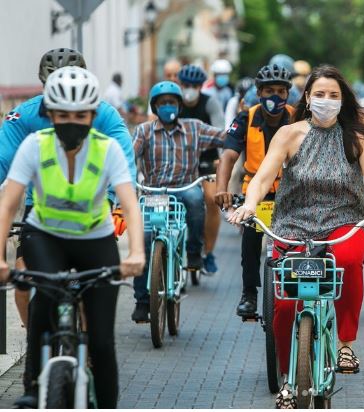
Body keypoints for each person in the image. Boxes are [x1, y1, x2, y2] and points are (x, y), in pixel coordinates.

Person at [229, 65, 364, 408]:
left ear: (343, 100)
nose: (326, 101)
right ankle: (289, 380)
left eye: (334, 95)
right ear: (306, 98)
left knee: (348, 261)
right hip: (293, 226)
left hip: (345, 223)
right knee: (286, 304)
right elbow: (262, 177)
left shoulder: (359, 137)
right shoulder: (289, 134)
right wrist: (249, 204)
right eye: (319, 94)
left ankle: (346, 344)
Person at [0, 66, 145, 409]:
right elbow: (7, 205)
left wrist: (136, 253)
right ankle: (34, 385)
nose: (71, 122)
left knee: (101, 342)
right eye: (62, 114)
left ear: (93, 115)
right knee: (42, 303)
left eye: (80, 115)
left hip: (96, 240)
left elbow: (129, 202)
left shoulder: (107, 149)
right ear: (49, 114)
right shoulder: (34, 146)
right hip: (45, 235)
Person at [0, 47, 137, 330]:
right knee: (25, 283)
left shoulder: (105, 115)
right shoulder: (25, 116)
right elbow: (2, 158)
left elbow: (124, 162)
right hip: (41, 211)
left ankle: (85, 351)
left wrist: (116, 202)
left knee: (91, 294)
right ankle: (37, 346)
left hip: (94, 211)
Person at [131, 81, 227, 322]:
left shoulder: (194, 128)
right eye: (162, 103)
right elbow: (129, 157)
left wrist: (245, 122)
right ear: (155, 106)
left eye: (172, 102)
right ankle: (142, 300)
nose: (167, 107)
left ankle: (195, 252)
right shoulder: (143, 131)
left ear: (179, 105)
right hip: (154, 194)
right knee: (144, 240)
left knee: (197, 200)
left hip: (185, 188)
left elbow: (224, 137)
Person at [214, 64, 295, 318]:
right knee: (250, 241)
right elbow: (228, 156)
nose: (275, 97)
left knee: (297, 243)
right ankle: (249, 293)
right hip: (254, 194)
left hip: (291, 194)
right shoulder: (245, 118)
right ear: (259, 93)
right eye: (269, 90)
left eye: (281, 91)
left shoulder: (297, 118)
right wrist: (221, 189)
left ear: (287, 94)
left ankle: (298, 292)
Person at [178, 64, 226, 274]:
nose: (190, 89)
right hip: (181, 162)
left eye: (195, 85)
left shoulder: (210, 103)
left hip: (207, 161)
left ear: (201, 86)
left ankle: (209, 252)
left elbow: (220, 131)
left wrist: (220, 158)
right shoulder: (174, 103)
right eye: (186, 85)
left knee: (211, 200)